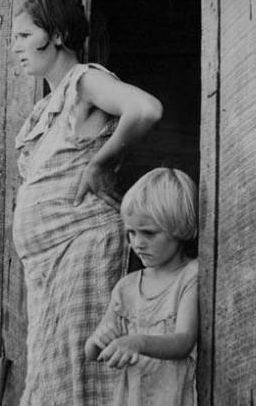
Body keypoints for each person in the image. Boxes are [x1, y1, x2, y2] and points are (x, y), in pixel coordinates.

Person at [11, 0, 163, 406]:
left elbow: (146, 109)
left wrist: (99, 164)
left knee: (83, 377)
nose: (16, 47)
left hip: (83, 248)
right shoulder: (46, 107)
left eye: (25, 35)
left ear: (57, 34)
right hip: (45, 267)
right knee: (49, 379)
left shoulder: (86, 80)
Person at [85, 168, 198, 406]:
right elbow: (92, 354)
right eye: (131, 233)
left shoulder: (191, 276)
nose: (137, 243)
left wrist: (137, 342)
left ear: (179, 228)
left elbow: (184, 340)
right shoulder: (126, 288)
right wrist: (98, 339)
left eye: (148, 233)